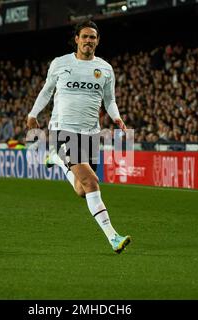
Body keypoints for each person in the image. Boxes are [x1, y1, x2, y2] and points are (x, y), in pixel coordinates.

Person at [26, 20, 131, 254]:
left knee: (82, 189)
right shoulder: (61, 63)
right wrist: (33, 114)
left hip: (91, 133)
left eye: (93, 37)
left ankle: (55, 159)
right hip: (63, 130)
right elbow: (47, 91)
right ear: (76, 39)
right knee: (92, 182)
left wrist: (117, 118)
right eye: (84, 36)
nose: (88, 41)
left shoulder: (105, 68)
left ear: (98, 41)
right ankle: (113, 237)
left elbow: (109, 100)